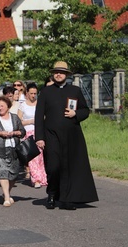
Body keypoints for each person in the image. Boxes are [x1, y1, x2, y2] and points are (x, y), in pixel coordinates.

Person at [35, 61, 98, 210]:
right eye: (56, 72)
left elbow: (85, 110)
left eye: (62, 72)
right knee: (53, 167)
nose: (58, 74)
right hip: (51, 136)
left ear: (67, 75)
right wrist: (39, 137)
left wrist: (75, 113)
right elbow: (38, 116)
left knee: (68, 167)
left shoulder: (75, 91)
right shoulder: (45, 92)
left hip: (72, 137)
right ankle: (52, 194)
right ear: (53, 74)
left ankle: (67, 199)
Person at [0, 96, 25, 207]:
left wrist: (15, 133)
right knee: (3, 172)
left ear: (8, 106)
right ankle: (7, 198)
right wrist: (0, 133)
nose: (0, 108)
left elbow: (23, 131)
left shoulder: (15, 117)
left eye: (2, 106)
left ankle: (6, 193)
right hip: (0, 149)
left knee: (14, 173)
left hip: (14, 148)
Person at [18, 83, 47, 188]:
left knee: (40, 157)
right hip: (28, 133)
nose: (33, 96)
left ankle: (42, 177)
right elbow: (18, 121)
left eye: (35, 93)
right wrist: (30, 121)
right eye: (31, 93)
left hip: (39, 132)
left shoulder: (40, 104)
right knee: (32, 158)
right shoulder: (23, 105)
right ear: (27, 94)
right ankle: (36, 179)